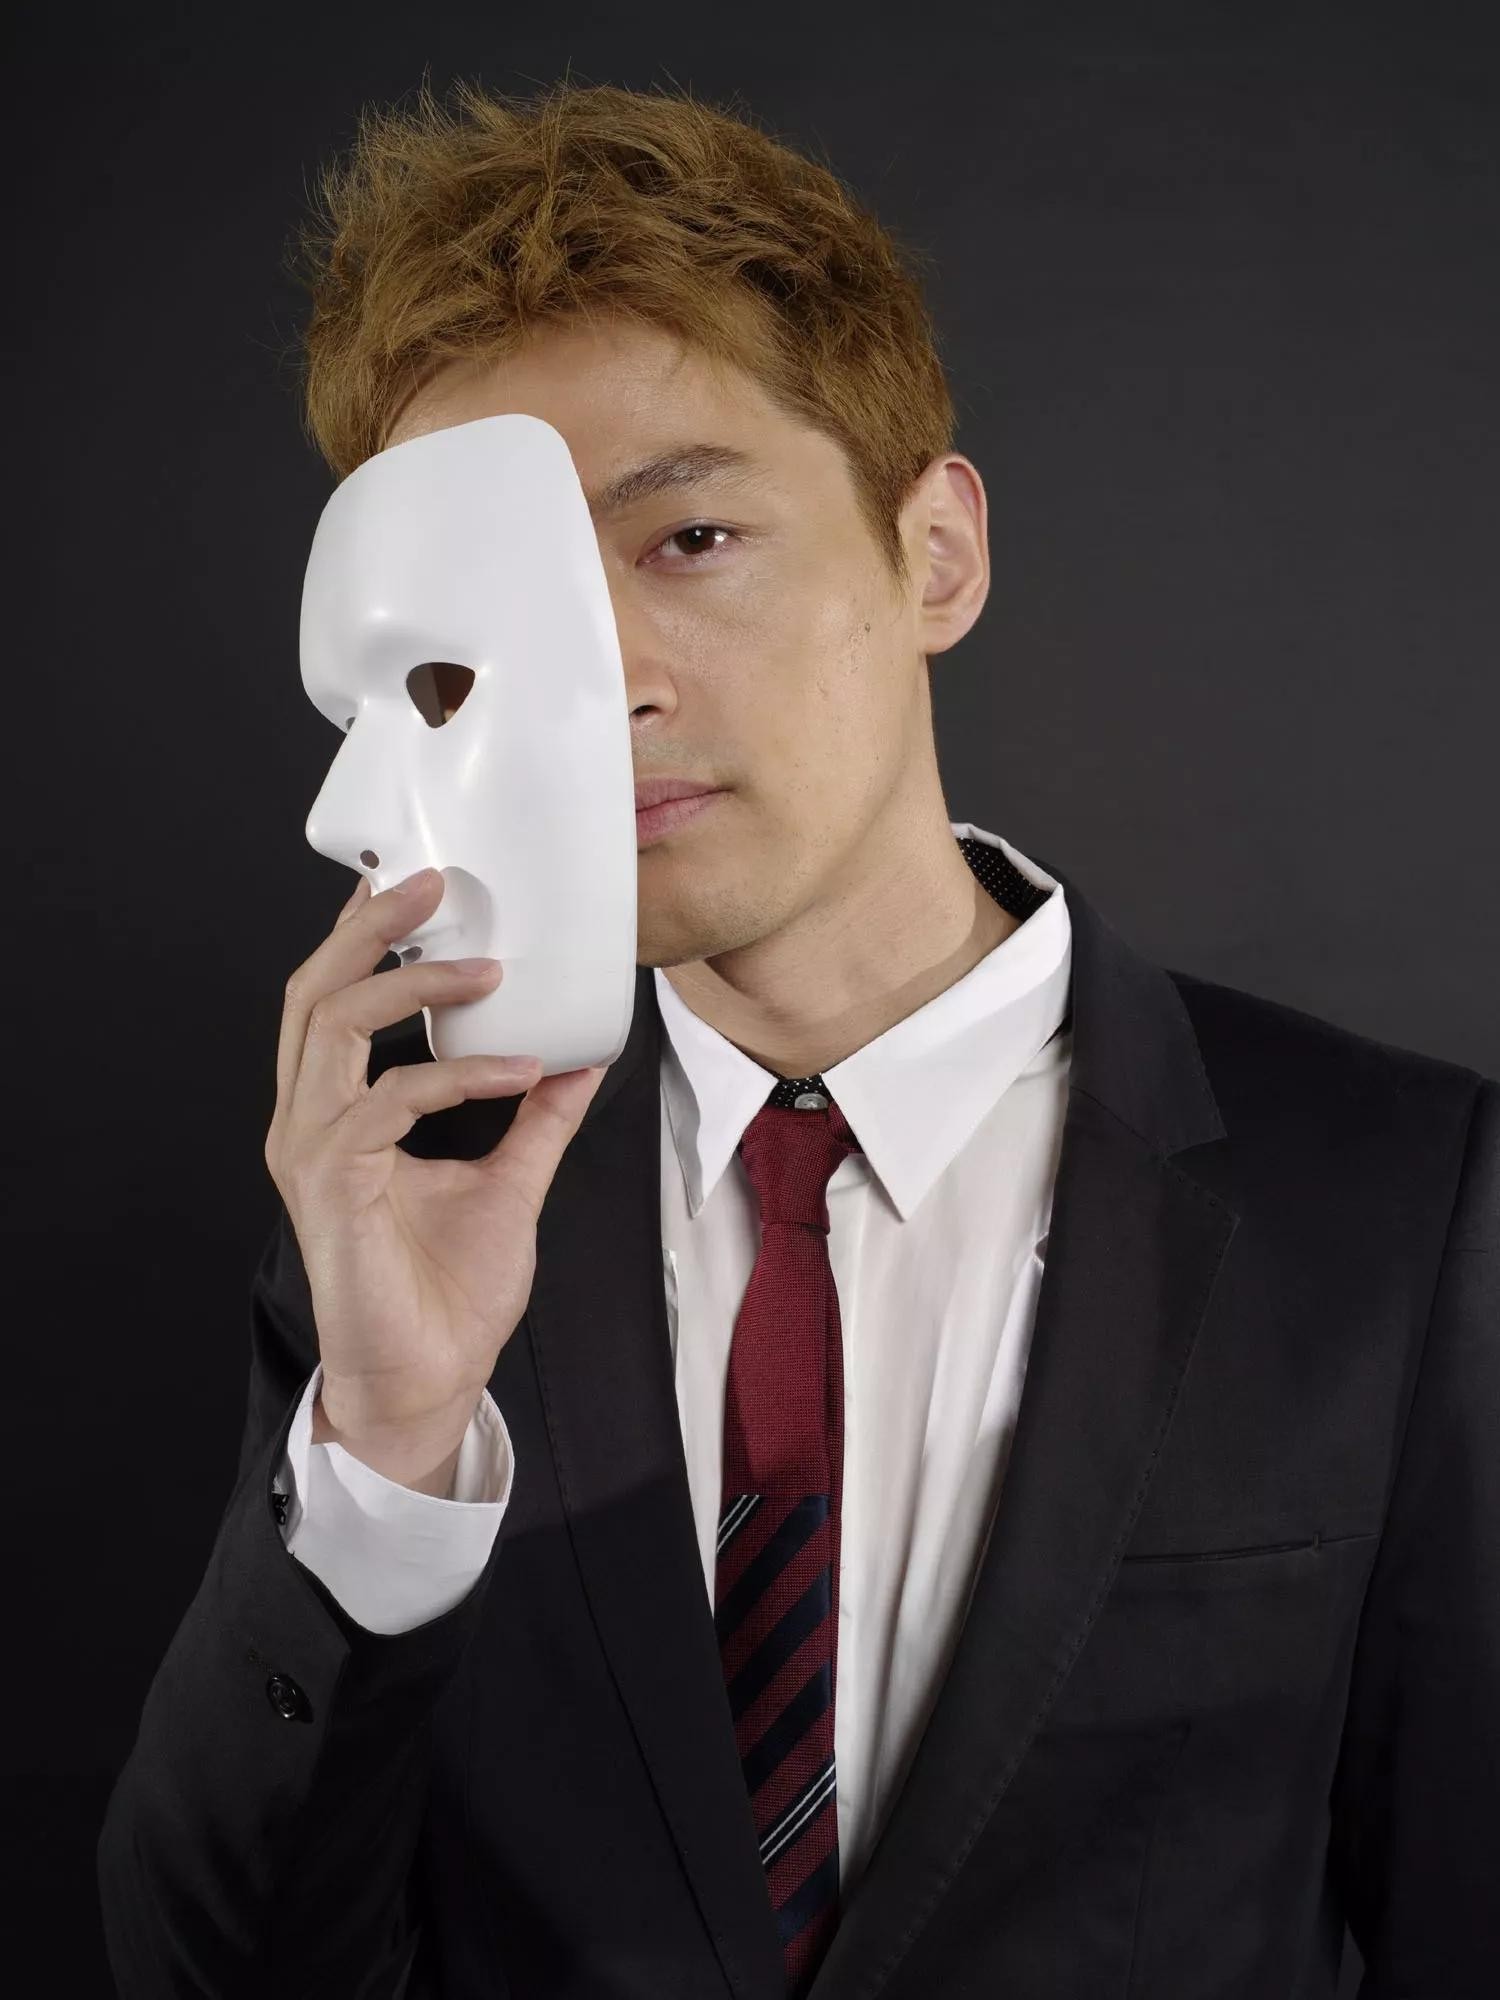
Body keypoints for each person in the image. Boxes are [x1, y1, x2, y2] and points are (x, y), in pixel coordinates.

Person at [98, 75, 1498, 1999]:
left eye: (688, 538)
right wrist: (386, 1457)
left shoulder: (1398, 1206)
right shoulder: (407, 1214)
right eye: (502, 622)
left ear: (935, 556)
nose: (605, 687)